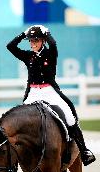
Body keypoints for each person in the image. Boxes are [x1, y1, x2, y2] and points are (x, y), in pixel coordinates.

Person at [6, 25, 96, 166]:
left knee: (69, 116)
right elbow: (10, 46)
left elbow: (53, 43)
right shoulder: (28, 56)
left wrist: (46, 33)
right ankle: (18, 157)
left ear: (42, 41)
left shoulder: (50, 53)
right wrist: (24, 34)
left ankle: (84, 151)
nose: (32, 43)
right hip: (33, 93)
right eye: (31, 41)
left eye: (36, 40)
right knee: (20, 122)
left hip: (49, 91)